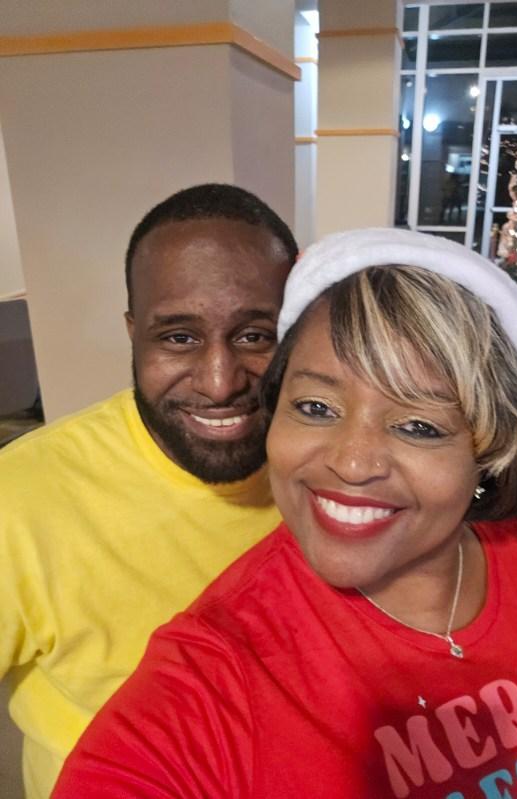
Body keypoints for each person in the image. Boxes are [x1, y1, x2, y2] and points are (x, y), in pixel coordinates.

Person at [52, 228, 517, 799]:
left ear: (489, 448)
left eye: (418, 425)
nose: (353, 462)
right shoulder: (217, 674)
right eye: (315, 407)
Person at [0, 183, 297, 799]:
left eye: (255, 336)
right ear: (134, 333)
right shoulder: (21, 498)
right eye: (179, 337)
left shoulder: (336, 460)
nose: (219, 384)